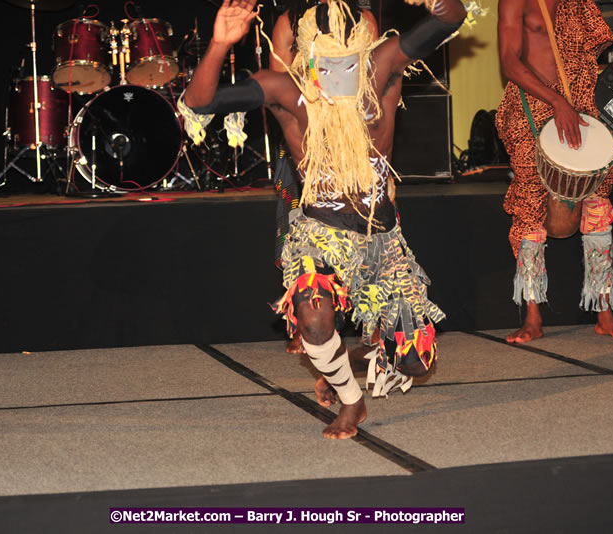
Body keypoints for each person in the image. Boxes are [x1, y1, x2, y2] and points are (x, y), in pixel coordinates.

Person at [182, 0, 465, 439]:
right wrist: (219, 44)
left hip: (383, 241)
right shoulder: (287, 91)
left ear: (363, 47)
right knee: (313, 320)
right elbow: (198, 103)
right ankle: (352, 400)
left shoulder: (379, 70)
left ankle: (346, 361)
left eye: (347, 59)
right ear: (307, 54)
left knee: (415, 361)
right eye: (325, 60)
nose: (337, 71)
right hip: (321, 236)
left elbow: (451, 17)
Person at [495, 0, 613, 343]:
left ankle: (604, 311)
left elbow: (588, 54)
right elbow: (509, 61)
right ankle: (532, 317)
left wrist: (570, 103)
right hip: (530, 108)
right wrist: (556, 102)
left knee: (597, 205)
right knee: (530, 208)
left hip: (577, 107)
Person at [271, 0, 380, 355]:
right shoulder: (289, 21)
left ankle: (374, 320)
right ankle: (306, 317)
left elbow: (374, 80)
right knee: (299, 230)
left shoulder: (362, 18)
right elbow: (278, 86)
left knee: (370, 228)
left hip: (353, 138)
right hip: (306, 137)